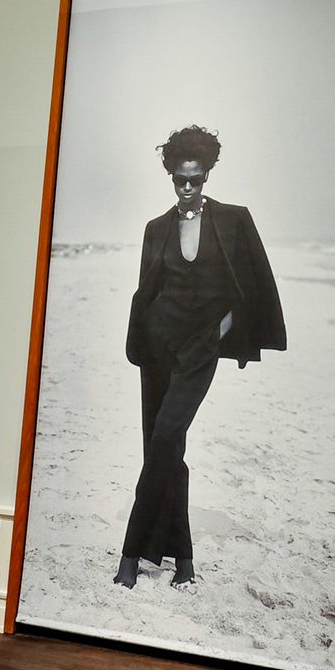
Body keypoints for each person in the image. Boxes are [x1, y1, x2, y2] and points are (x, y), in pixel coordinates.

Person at [116, 126, 284, 589]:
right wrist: (141, 340)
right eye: (180, 179)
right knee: (165, 449)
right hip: (157, 348)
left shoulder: (233, 220)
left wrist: (219, 333)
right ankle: (184, 560)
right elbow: (146, 291)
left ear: (207, 173)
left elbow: (252, 287)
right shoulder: (156, 229)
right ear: (171, 175)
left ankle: (130, 553)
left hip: (198, 352)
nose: (187, 187)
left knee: (166, 437)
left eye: (195, 178)